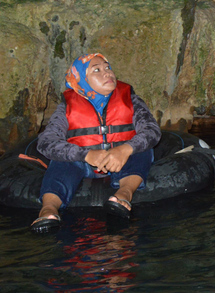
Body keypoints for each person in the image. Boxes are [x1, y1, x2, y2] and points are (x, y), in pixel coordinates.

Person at [30, 54, 161, 233]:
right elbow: (46, 141)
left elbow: (151, 131)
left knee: (142, 150)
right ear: (82, 79)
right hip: (82, 162)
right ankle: (49, 209)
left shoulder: (131, 100)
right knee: (61, 161)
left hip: (121, 159)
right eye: (97, 70)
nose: (107, 73)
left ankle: (124, 194)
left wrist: (124, 149)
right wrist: (86, 155)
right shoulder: (67, 107)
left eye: (108, 68)